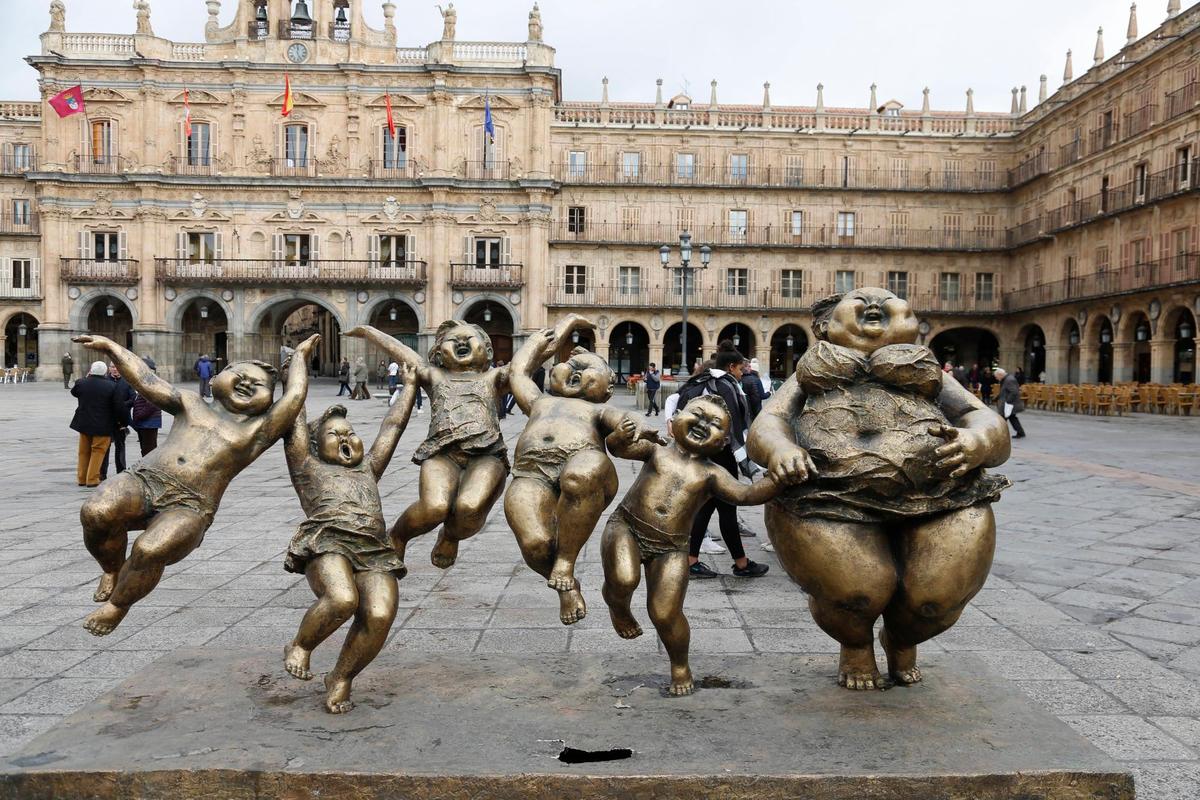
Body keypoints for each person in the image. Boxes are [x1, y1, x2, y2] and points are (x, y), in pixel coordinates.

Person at [747, 288, 1011, 690]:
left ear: (913, 324)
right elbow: (768, 422)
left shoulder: (931, 374)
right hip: (827, 495)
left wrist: (978, 442)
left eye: (888, 301)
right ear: (826, 326)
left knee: (936, 598)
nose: (874, 304)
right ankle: (855, 644)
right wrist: (780, 447)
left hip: (941, 494)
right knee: (856, 591)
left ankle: (902, 637)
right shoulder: (811, 372)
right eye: (860, 300)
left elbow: (984, 418)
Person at [72, 332, 319, 636]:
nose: (246, 384)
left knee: (150, 549)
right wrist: (112, 347)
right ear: (215, 379)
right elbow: (146, 380)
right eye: (239, 376)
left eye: (259, 386)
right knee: (96, 511)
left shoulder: (259, 430)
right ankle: (112, 569)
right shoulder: (189, 403)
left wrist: (298, 359)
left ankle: (117, 605)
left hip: (191, 505)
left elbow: (294, 398)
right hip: (144, 479)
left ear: (269, 401)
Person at [600, 394, 778, 696]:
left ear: (722, 443)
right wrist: (622, 433)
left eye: (714, 425)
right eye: (697, 414)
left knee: (665, 613)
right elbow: (619, 449)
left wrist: (779, 478)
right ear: (676, 418)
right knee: (623, 578)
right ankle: (618, 608)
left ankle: (680, 664)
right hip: (626, 527)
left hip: (671, 547)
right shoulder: (657, 451)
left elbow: (745, 495)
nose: (702, 424)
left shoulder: (712, 474)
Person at [505, 316, 664, 625]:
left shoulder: (600, 409)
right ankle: (567, 587)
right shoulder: (539, 401)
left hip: (586, 471)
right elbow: (518, 371)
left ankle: (565, 561)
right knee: (534, 544)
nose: (575, 370)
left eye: (589, 369)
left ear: (607, 390)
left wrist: (638, 429)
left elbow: (626, 424)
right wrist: (557, 329)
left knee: (582, 470)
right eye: (570, 365)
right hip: (531, 474)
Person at [281, 367, 419, 714]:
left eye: (351, 433)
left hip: (374, 551)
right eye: (334, 435)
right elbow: (294, 412)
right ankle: (300, 645)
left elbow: (392, 426)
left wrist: (410, 386)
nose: (346, 439)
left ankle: (341, 676)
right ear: (314, 445)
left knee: (380, 613)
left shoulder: (368, 467)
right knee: (342, 599)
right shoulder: (306, 466)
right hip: (328, 542)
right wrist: (297, 363)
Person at [346, 320, 511, 569]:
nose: (462, 342)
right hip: (442, 454)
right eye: (453, 340)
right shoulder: (435, 376)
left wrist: (563, 329)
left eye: (469, 338)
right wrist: (369, 332)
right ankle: (398, 535)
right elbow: (402, 351)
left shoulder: (495, 377)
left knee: (470, 507)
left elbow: (528, 361)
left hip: (487, 455)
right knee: (434, 507)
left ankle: (450, 535)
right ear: (438, 354)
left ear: (487, 352)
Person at [675, 341, 769, 579]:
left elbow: (674, 403)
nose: (742, 372)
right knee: (726, 507)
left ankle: (694, 560)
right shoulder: (726, 385)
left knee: (707, 507)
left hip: (704, 453)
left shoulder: (701, 381)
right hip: (722, 454)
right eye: (740, 369)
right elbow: (735, 426)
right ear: (730, 367)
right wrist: (745, 459)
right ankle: (740, 563)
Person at [70, 361, 123, 488]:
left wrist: (86, 377)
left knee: (83, 452)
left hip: (84, 423)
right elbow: (118, 407)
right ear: (105, 372)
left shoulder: (81, 383)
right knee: (98, 451)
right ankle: (92, 479)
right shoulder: (111, 386)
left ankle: (82, 478)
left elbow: (74, 392)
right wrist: (123, 421)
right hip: (103, 425)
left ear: (91, 371)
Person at [99, 363, 134, 480]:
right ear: (109, 369)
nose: (115, 369)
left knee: (120, 446)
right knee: (105, 447)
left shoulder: (127, 382)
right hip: (107, 420)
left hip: (121, 420)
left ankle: (121, 470)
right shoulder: (104, 381)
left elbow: (133, 399)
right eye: (112, 367)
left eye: (117, 367)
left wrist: (121, 405)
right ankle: (102, 473)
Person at [130, 357, 163, 457]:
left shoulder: (153, 382)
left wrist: (139, 415)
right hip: (144, 422)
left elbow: (153, 403)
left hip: (149, 422)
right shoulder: (144, 381)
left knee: (149, 450)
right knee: (145, 449)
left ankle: (149, 471)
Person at [994, 368, 1026, 439]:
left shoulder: (1009, 380)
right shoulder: (1006, 379)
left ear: (1000, 374)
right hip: (1010, 403)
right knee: (1012, 418)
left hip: (1010, 404)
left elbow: (1014, 392)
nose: (996, 378)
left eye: (996, 377)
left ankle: (999, 434)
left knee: (1002, 419)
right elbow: (1004, 391)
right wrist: (996, 398)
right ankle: (1020, 432)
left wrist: (1008, 402)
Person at [740, 357, 764, 422]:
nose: (750, 368)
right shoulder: (752, 380)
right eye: (749, 366)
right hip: (749, 413)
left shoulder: (738, 380)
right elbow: (755, 399)